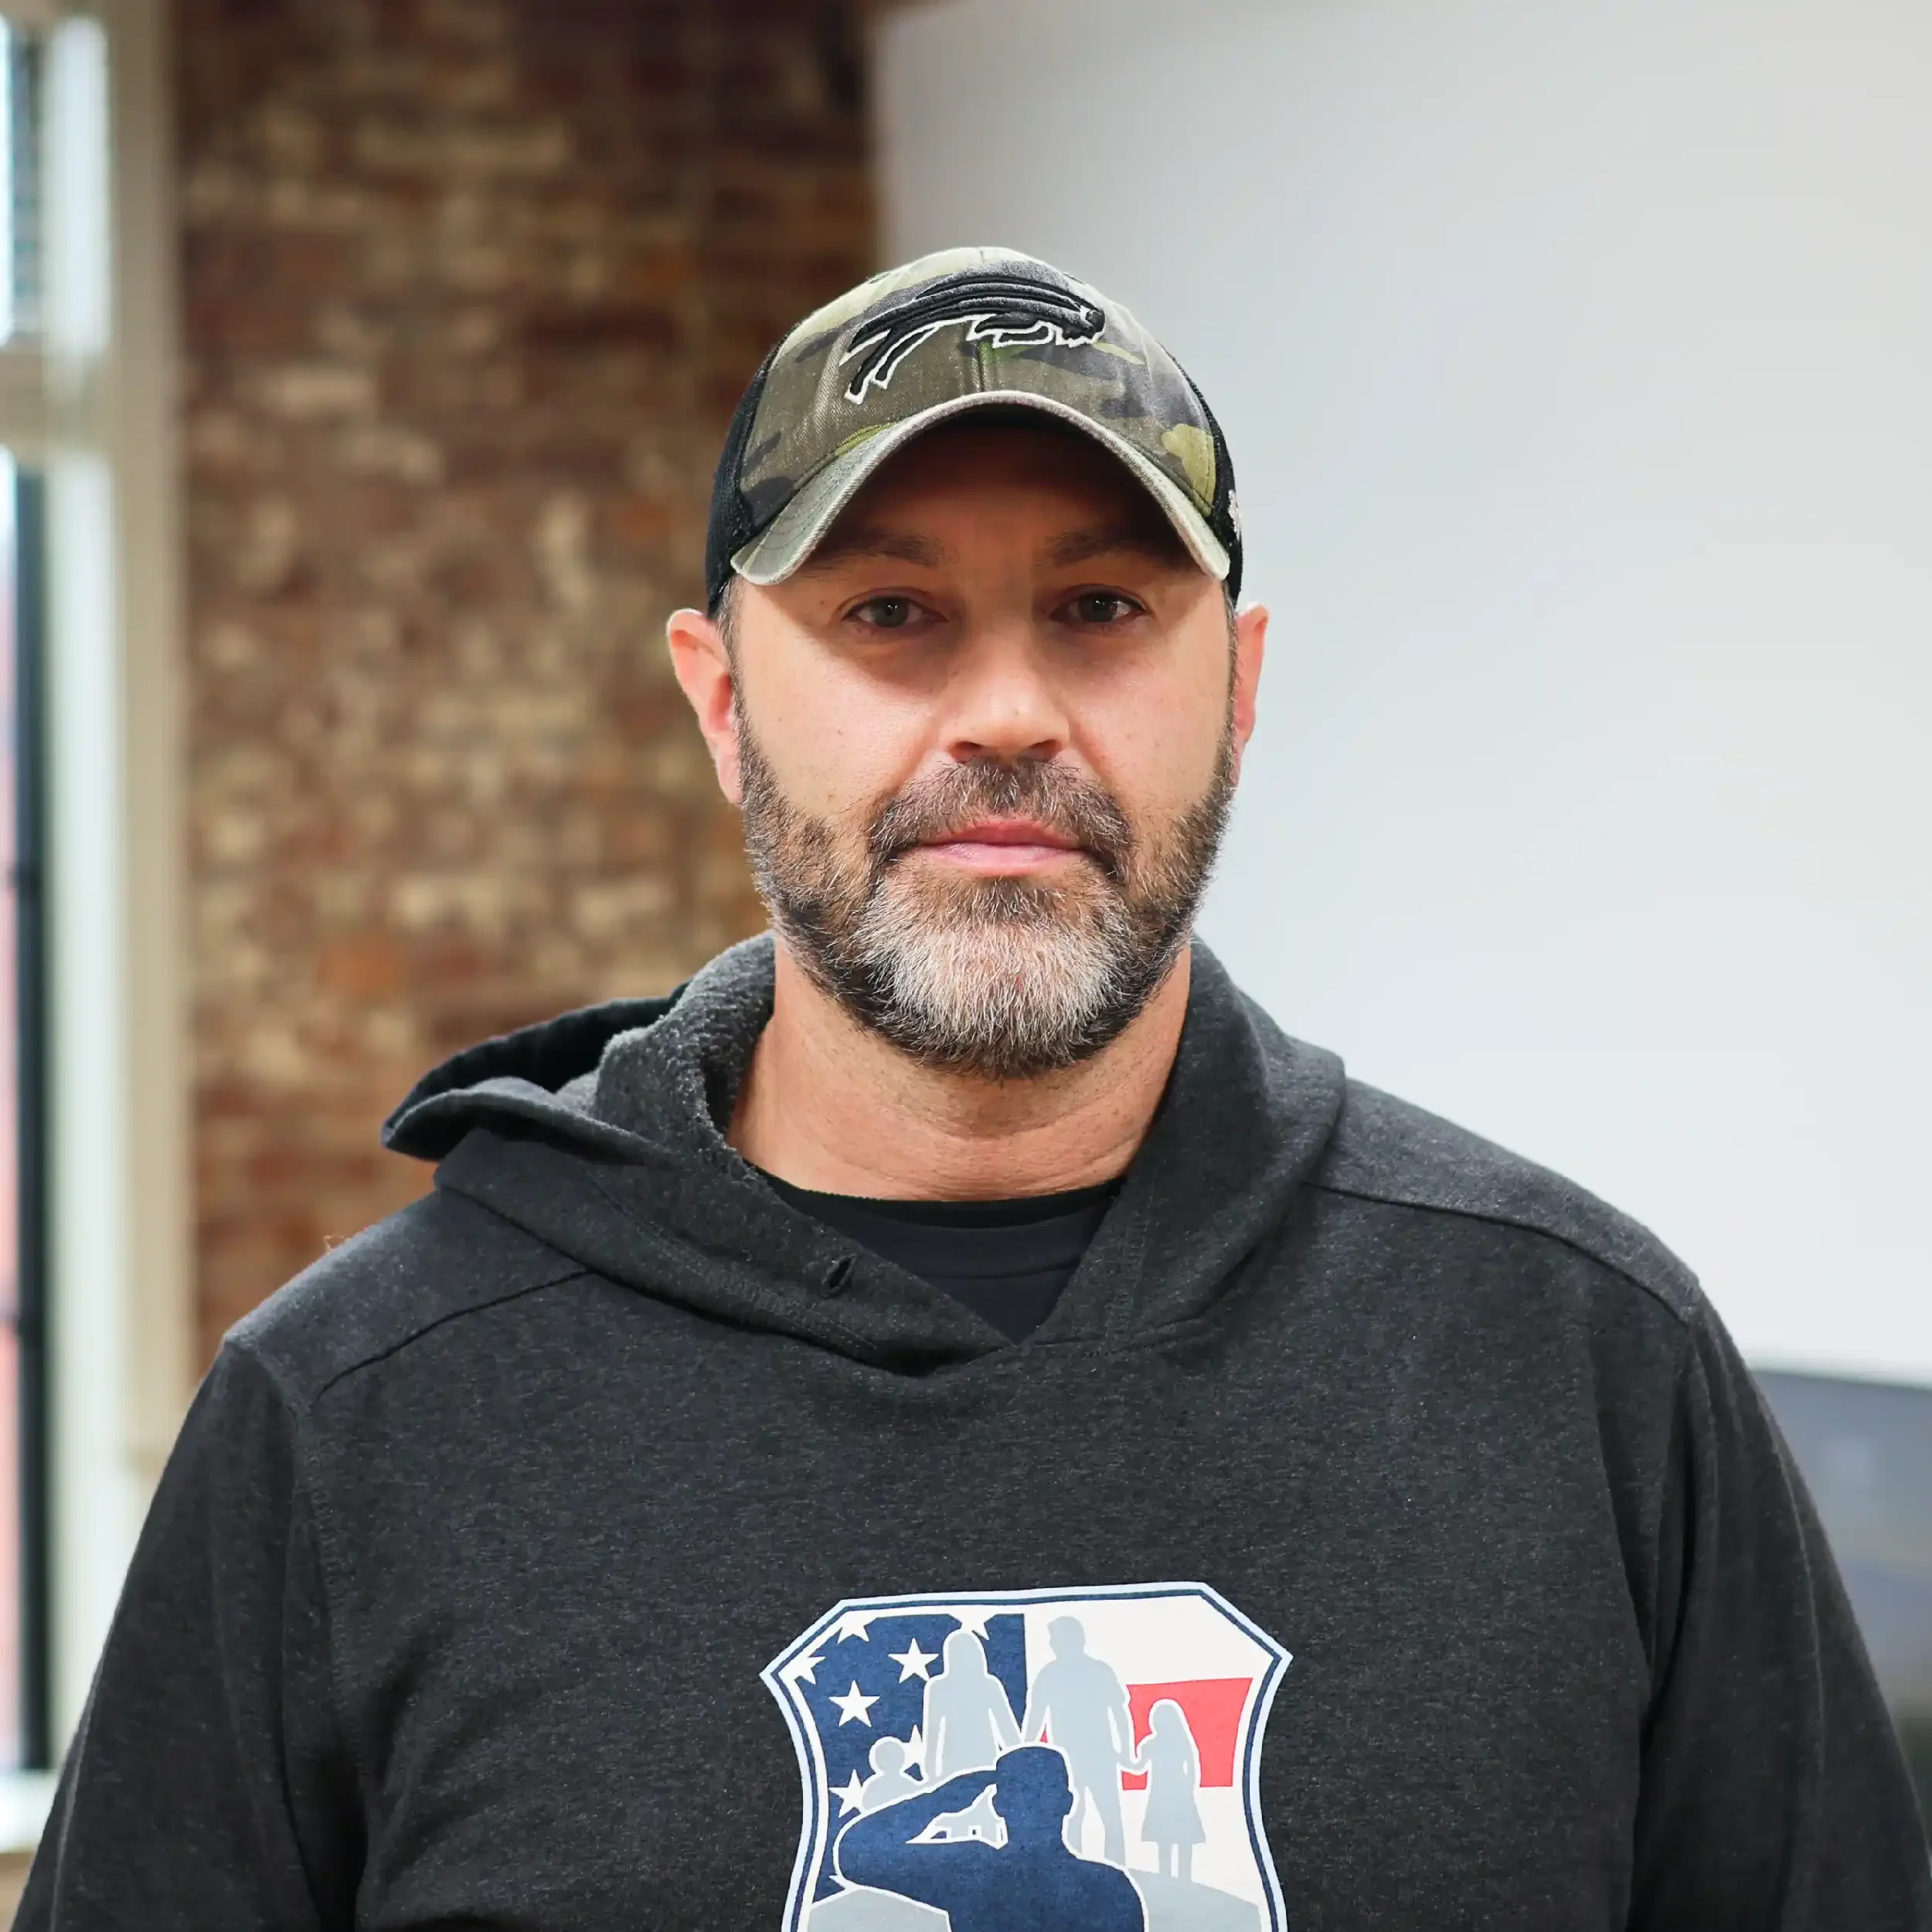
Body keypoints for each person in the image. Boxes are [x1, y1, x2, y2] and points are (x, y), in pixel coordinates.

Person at [16, 246, 1931, 1932]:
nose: (1008, 712)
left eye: (1099, 609)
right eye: (889, 612)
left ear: (1237, 687)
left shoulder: (1585, 1365)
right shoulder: (358, 1423)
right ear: (719, 699)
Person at [836, 1745, 1145, 1932]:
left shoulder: (972, 1869)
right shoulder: (1108, 1885)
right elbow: (854, 1856)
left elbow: (856, 1852)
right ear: (1067, 1803)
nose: (1031, 1806)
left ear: (998, 1805)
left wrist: (941, 1799)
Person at [1020, 1616, 1134, 1865]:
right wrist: (1024, 1757)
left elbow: (1119, 1713)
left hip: (1101, 1755)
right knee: (1071, 1817)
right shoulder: (1047, 1675)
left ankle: (1118, 1869)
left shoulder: (1100, 1671)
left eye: (1057, 1639)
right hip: (1067, 1761)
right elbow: (1035, 1719)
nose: (1053, 1644)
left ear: (1075, 1639)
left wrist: (1126, 1751)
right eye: (1052, 1640)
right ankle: (1072, 1873)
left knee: (1110, 1817)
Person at [924, 1629, 1021, 1781]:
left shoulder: (988, 1684)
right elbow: (933, 1733)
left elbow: (1007, 1732)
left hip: (982, 1762)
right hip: (959, 1764)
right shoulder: (938, 1688)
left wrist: (931, 1773)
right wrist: (930, 1773)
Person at [1131, 1699, 1205, 1884]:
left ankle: (1177, 1880)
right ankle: (1174, 1880)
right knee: (1171, 1840)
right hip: (1168, 1795)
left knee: (1175, 1840)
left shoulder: (1162, 1744)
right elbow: (1139, 1767)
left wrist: (1188, 1789)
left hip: (1172, 1795)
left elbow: (1192, 1768)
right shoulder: (1156, 1744)